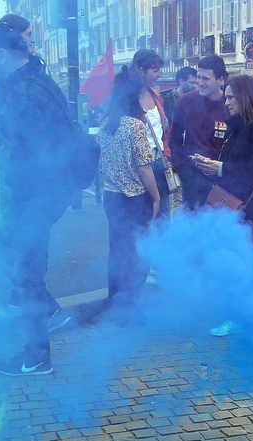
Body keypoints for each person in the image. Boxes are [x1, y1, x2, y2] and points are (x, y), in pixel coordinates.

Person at [0, 23, 73, 376]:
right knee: (18, 272)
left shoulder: (26, 93)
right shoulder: (27, 83)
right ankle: (40, 335)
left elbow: (35, 157)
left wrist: (26, 212)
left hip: (31, 201)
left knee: (26, 278)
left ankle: (36, 357)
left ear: (1, 53)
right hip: (33, 201)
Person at [192, 75, 253, 335]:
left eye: (231, 96)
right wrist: (210, 166)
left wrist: (220, 167)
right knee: (239, 265)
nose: (227, 101)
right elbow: (231, 165)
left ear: (245, 96)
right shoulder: (237, 125)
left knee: (243, 266)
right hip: (236, 208)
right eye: (226, 97)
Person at [98, 67, 160, 309]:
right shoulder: (134, 126)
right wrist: (155, 197)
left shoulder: (106, 125)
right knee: (139, 253)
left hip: (111, 198)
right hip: (134, 200)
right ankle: (130, 307)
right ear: (135, 94)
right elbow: (144, 168)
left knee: (117, 251)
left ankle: (115, 302)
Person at [166, 55, 230, 211]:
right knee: (193, 227)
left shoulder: (230, 104)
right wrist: (181, 167)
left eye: (206, 79)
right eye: (198, 77)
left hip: (223, 179)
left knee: (218, 228)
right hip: (192, 178)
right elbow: (173, 137)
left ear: (220, 80)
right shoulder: (185, 101)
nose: (200, 83)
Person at [131, 49, 172, 221]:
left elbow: (163, 130)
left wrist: (167, 154)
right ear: (142, 71)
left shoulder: (156, 95)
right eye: (155, 70)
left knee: (163, 214)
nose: (159, 74)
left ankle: (162, 247)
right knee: (144, 215)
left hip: (159, 160)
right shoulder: (130, 98)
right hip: (140, 164)